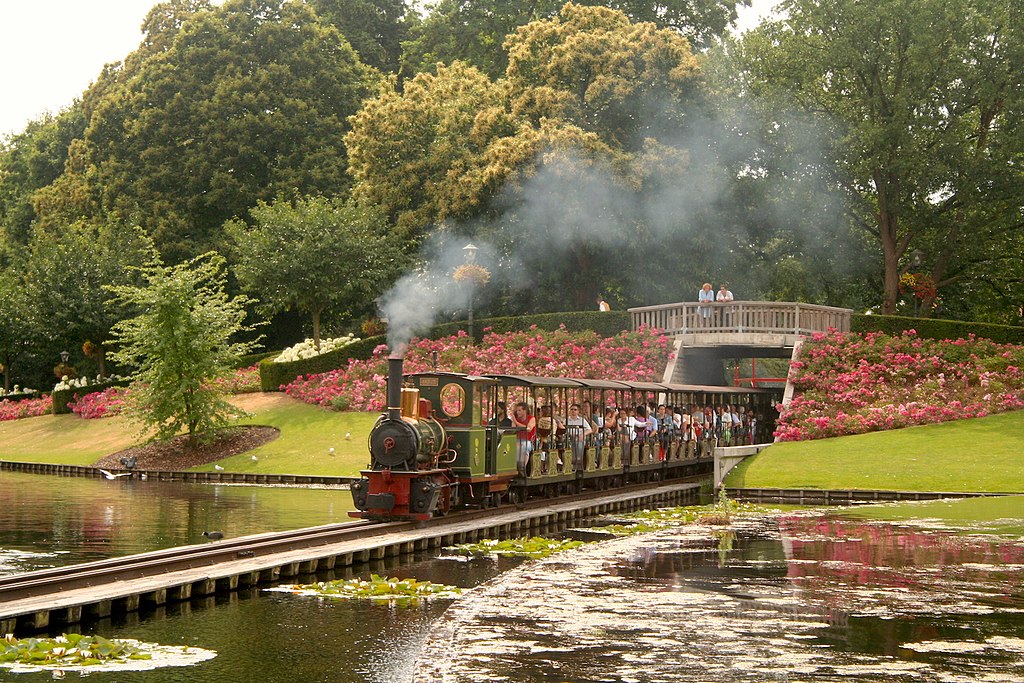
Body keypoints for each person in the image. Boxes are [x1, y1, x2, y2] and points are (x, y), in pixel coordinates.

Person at [512, 402, 536, 474]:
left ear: (525, 411)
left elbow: (528, 429)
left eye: (519, 410)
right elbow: (513, 430)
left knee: (524, 446)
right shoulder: (516, 419)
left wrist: (516, 422)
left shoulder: (531, 418)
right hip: (518, 440)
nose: (517, 412)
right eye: (517, 410)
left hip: (529, 440)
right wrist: (514, 421)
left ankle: (522, 468)